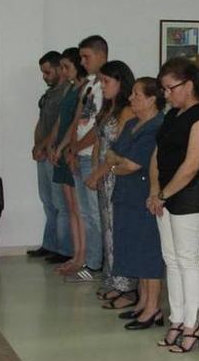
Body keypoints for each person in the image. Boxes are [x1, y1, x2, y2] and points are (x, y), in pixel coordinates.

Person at [148, 57, 199, 354]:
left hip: (191, 194)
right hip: (165, 193)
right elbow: (157, 155)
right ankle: (177, 319)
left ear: (188, 85)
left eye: (170, 88)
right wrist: (155, 190)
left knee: (187, 259)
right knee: (172, 259)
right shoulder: (173, 115)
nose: (166, 94)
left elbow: (192, 166)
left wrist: (163, 195)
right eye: (163, 89)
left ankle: (194, 323)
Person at [106, 77, 166, 329]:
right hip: (126, 195)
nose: (131, 99)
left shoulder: (157, 126)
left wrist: (117, 164)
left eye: (137, 95)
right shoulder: (132, 123)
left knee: (148, 252)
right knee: (133, 249)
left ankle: (154, 308)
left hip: (144, 196)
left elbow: (132, 164)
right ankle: (142, 302)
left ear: (152, 99)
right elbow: (111, 154)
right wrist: (117, 163)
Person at [78, 61, 137, 297]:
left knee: (117, 230)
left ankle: (124, 284)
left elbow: (119, 150)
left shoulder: (127, 111)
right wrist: (94, 171)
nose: (102, 87)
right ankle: (111, 278)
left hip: (117, 175)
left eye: (106, 82)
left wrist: (100, 172)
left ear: (121, 82)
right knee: (107, 229)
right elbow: (99, 143)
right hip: (103, 175)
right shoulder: (109, 109)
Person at [62, 35, 108, 280]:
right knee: (85, 212)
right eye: (80, 57)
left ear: (101, 55)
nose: (82, 61)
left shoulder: (105, 86)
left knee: (94, 213)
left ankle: (95, 264)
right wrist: (71, 148)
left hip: (93, 155)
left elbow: (99, 125)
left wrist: (79, 146)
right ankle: (89, 260)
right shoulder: (89, 83)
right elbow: (77, 119)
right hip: (78, 153)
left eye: (86, 57)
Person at [28, 50, 71, 259]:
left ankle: (64, 250)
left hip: (55, 154)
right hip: (43, 154)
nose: (44, 76)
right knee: (47, 201)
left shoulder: (67, 92)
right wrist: (36, 145)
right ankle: (50, 244)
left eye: (47, 72)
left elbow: (59, 125)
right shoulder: (49, 94)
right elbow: (42, 122)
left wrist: (44, 146)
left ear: (58, 69)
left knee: (60, 203)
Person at [48, 48, 87, 269]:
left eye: (67, 67)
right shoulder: (70, 88)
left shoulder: (84, 89)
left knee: (79, 208)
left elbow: (75, 123)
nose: (63, 72)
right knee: (70, 207)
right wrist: (54, 145)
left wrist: (63, 146)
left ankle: (83, 256)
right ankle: (76, 253)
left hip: (71, 150)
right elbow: (61, 120)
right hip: (63, 150)